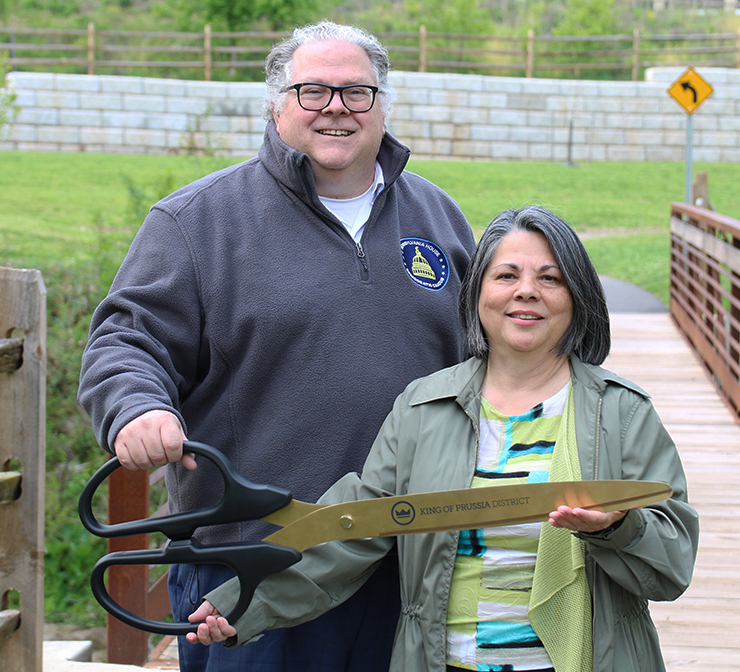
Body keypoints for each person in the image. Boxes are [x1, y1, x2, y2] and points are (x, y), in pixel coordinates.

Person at [78, 20, 476, 672]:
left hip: (410, 560)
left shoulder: (441, 219)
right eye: (313, 90)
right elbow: (128, 339)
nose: (336, 108)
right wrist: (136, 408)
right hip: (256, 564)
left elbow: (488, 365)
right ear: (276, 103)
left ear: (383, 104)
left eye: (357, 92)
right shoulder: (197, 221)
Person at [187, 206, 700, 672]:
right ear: (478, 294)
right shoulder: (422, 408)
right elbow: (350, 532)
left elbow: (672, 567)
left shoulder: (624, 413)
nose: (526, 291)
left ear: (578, 298)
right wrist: (244, 602)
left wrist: (617, 528)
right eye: (506, 276)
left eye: (551, 278)